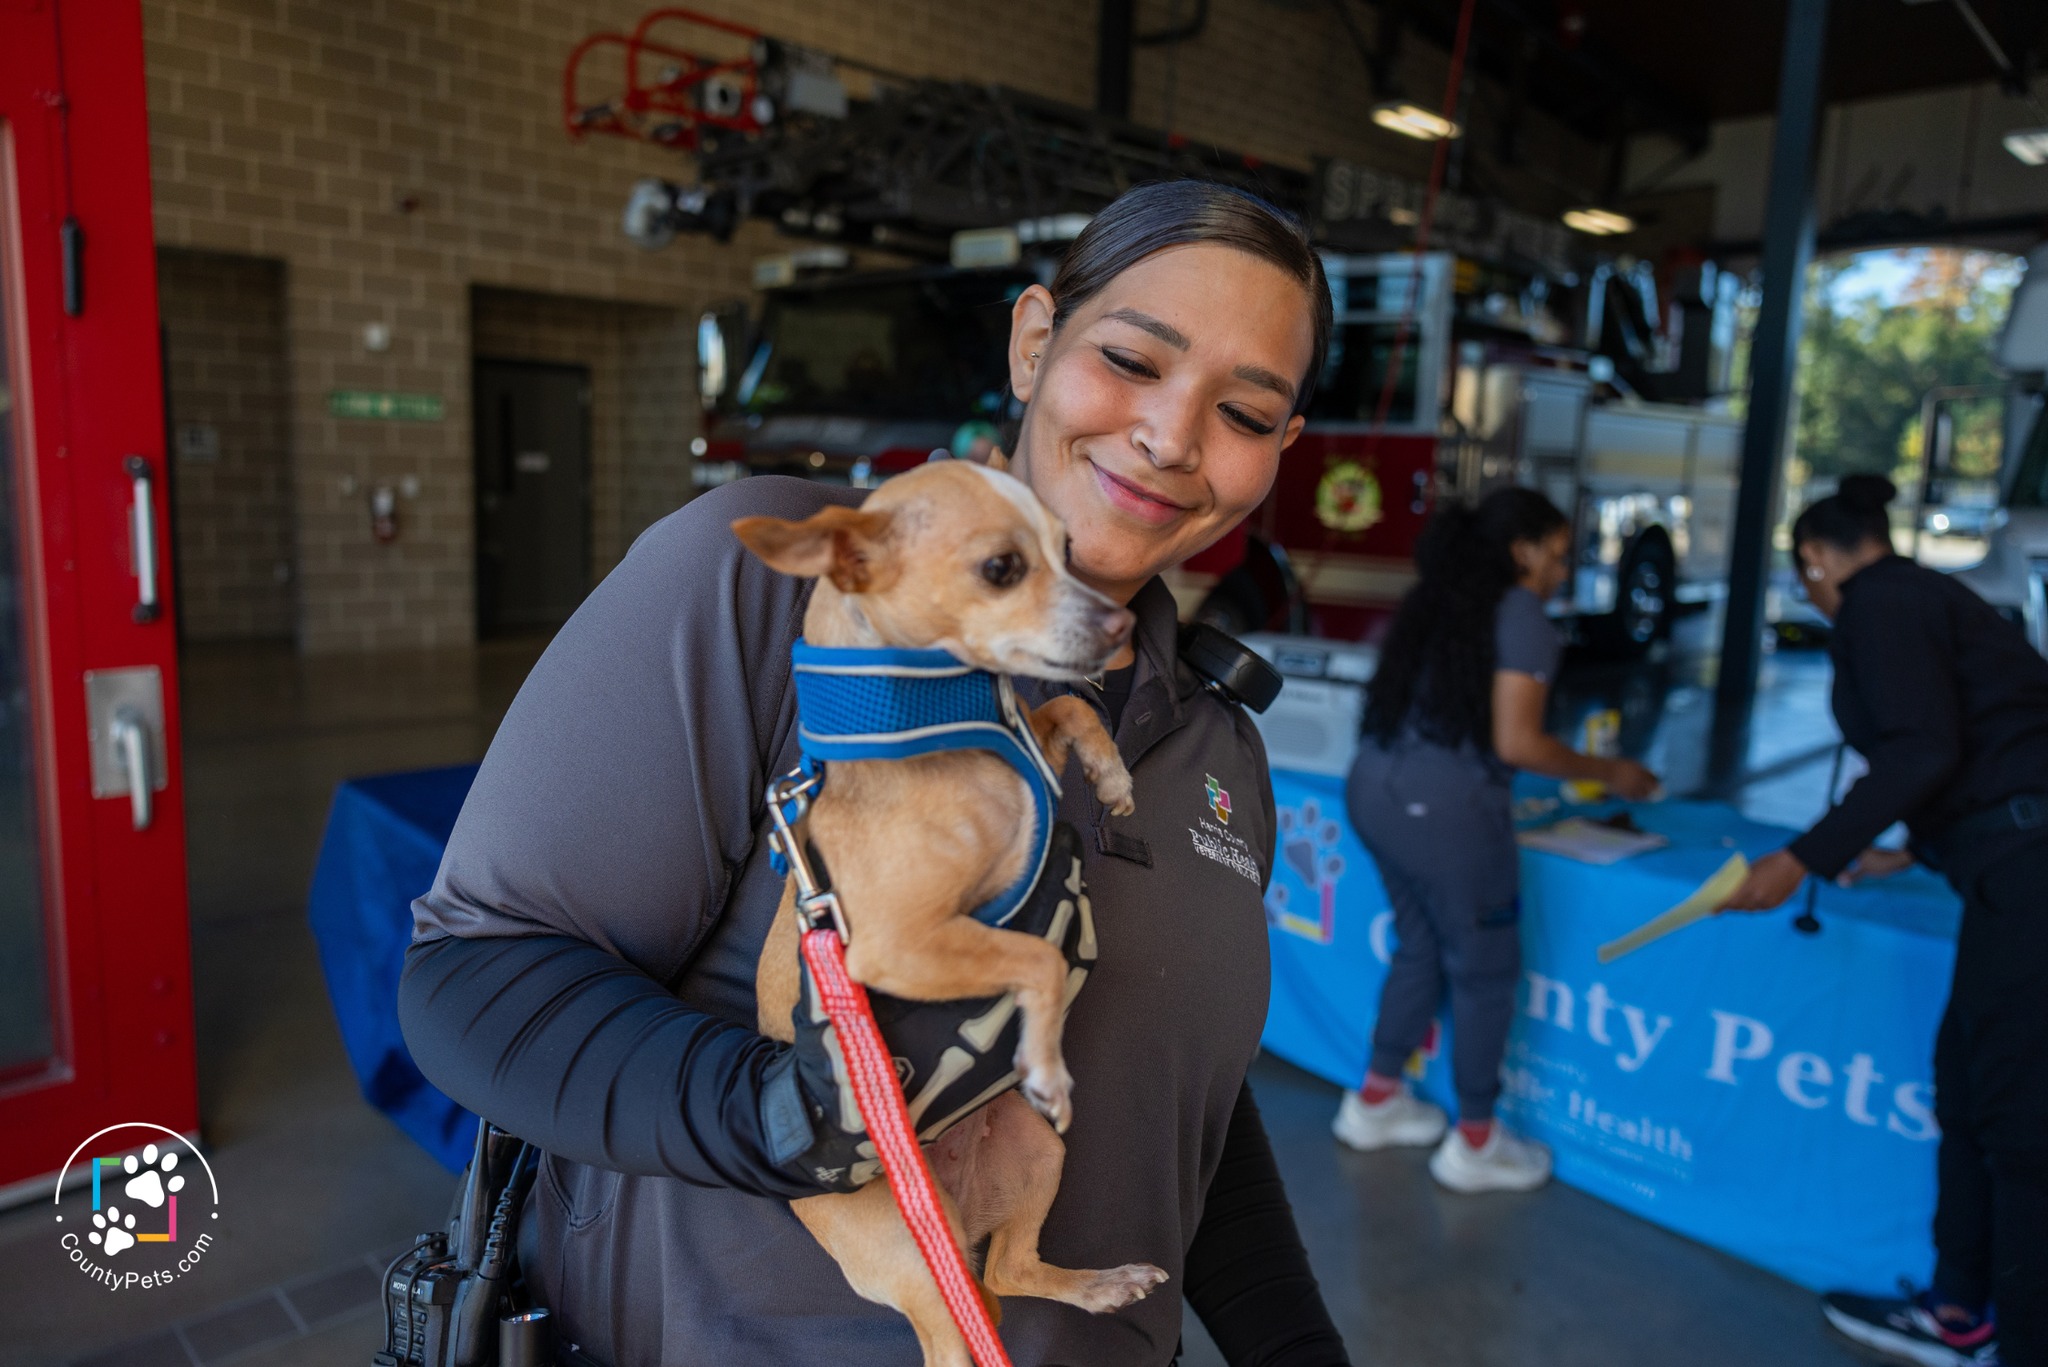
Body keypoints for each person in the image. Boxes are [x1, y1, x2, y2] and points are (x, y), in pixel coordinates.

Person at [398, 181, 1354, 1367]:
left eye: (1244, 410)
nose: (1169, 435)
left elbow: (1173, 1086)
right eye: (1127, 359)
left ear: (1279, 449)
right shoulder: (777, 590)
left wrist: (1295, 1345)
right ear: (1032, 342)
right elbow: (475, 970)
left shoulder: (1216, 743)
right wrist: (777, 1116)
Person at [1720, 474, 2048, 1367]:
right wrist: (1916, 848)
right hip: (2006, 867)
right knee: (1968, 1087)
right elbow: (1980, 748)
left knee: (2019, 1124)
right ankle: (1960, 1310)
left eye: (1804, 579)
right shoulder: (1925, 594)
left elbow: (1922, 746)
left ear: (1814, 559)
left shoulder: (1878, 604)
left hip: (2030, 882)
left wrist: (1802, 856)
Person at [1332, 488, 1660, 1191]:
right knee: (1485, 971)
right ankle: (1476, 1143)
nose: (1563, 571)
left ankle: (1375, 1101)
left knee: (1420, 945)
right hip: (1442, 812)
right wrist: (1612, 772)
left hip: (1374, 788)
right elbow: (1518, 741)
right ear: (1522, 549)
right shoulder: (1522, 614)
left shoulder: (1440, 600)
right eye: (1557, 554)